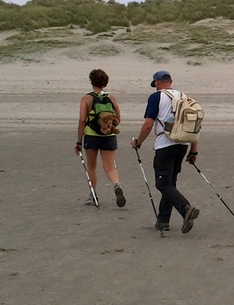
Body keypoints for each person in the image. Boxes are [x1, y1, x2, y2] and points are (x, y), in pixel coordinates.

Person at [130, 70, 200, 234]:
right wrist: (193, 151)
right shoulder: (184, 97)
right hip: (183, 143)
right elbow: (194, 126)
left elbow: (148, 124)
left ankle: (185, 209)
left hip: (165, 144)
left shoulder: (156, 97)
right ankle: (163, 221)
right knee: (170, 183)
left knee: (162, 183)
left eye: (154, 84)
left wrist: (138, 142)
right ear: (170, 81)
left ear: (157, 82)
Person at [75, 69, 126, 208]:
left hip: (91, 135)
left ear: (92, 82)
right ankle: (116, 185)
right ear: (105, 82)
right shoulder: (111, 98)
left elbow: (81, 121)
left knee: (92, 166)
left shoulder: (86, 99)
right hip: (108, 135)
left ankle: (93, 195)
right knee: (110, 166)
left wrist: (79, 140)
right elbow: (118, 120)